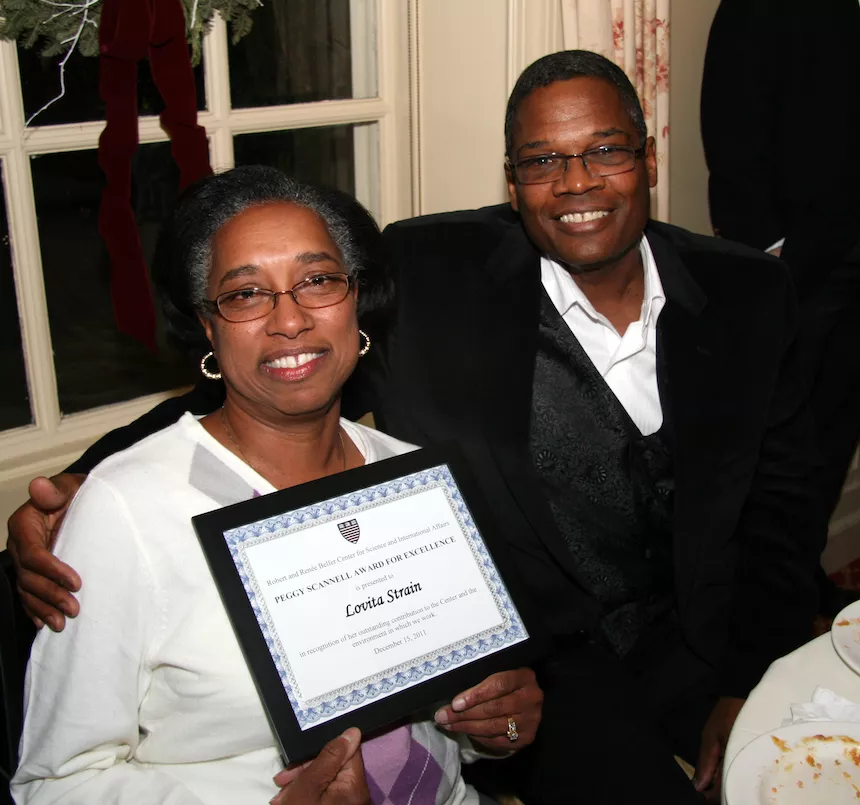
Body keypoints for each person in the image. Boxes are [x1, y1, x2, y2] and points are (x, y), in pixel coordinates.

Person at [8, 51, 821, 804]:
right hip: (545, 661)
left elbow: (781, 509)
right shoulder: (433, 276)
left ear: (646, 157)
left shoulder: (749, 292)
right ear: (513, 180)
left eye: (605, 151)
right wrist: (83, 484)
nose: (576, 184)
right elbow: (265, 367)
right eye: (542, 161)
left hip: (705, 634)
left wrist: (748, 675)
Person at [9, 167, 542, 805]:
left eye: (317, 281)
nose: (289, 319)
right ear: (208, 327)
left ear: (354, 300)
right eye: (245, 294)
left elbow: (448, 724)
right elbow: (54, 783)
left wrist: (498, 725)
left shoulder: (413, 480)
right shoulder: (130, 509)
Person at [701, 0, 860, 616]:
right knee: (779, 443)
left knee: (836, 428)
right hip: (796, 265)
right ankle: (768, 606)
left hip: (848, 256)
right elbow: (731, 123)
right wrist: (768, 254)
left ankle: (803, 582)